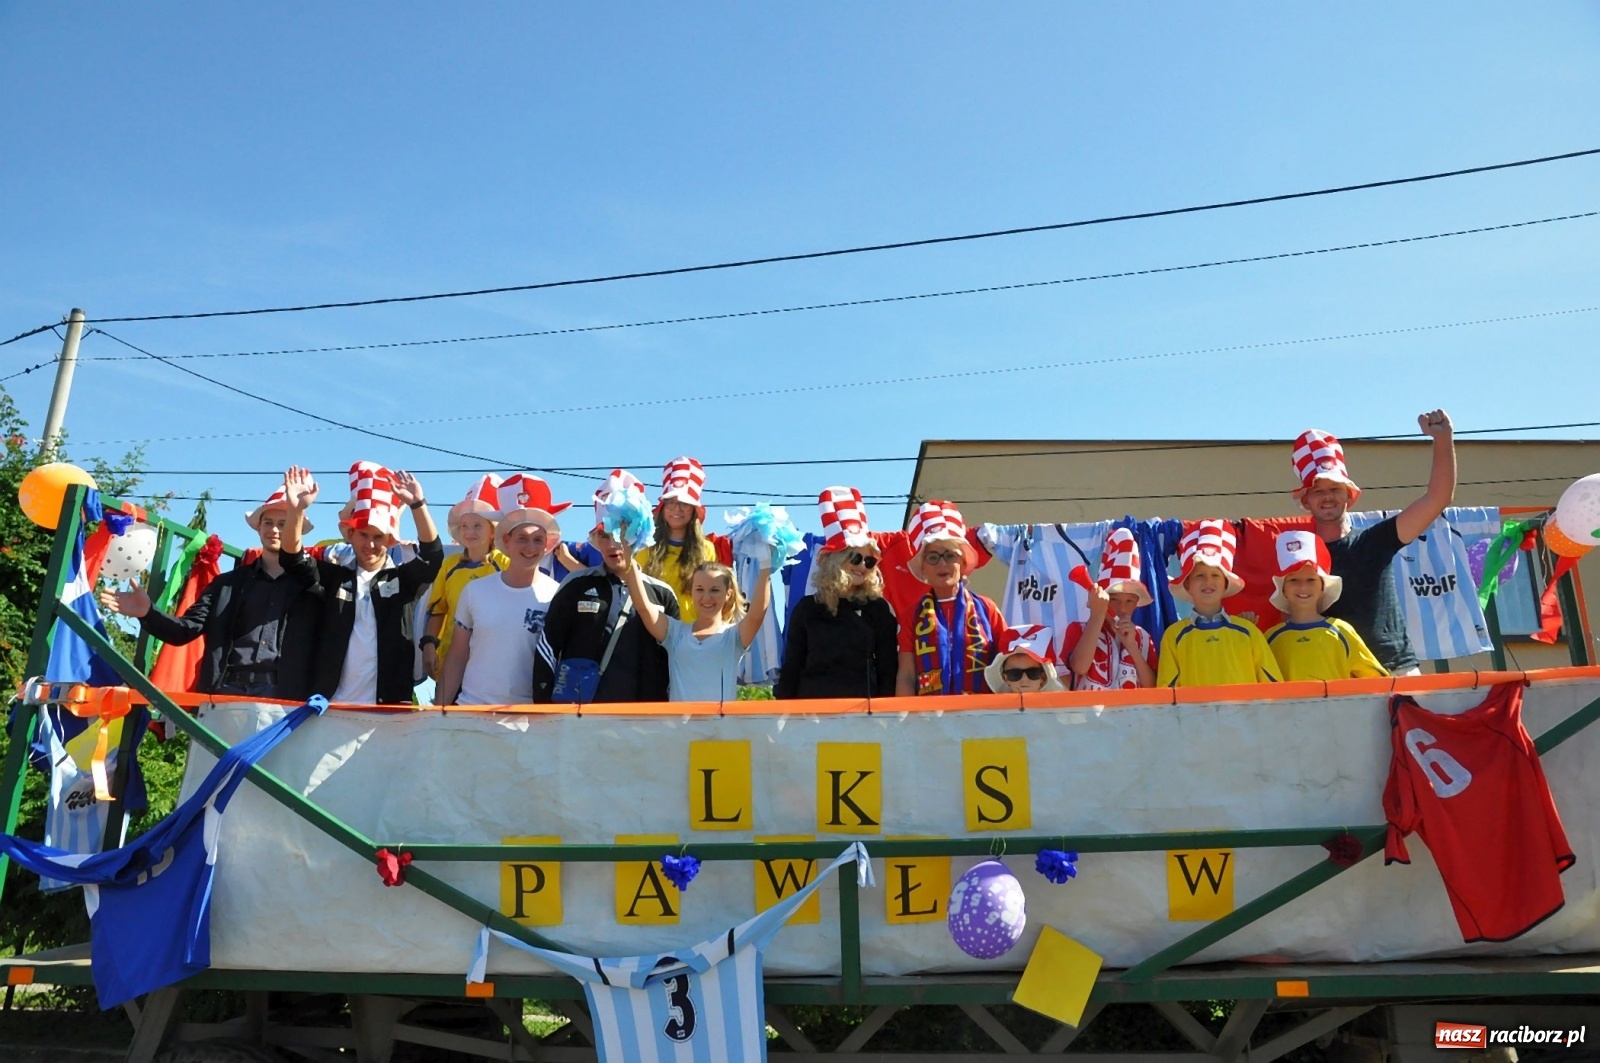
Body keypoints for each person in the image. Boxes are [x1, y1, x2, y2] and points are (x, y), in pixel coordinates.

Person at [98, 469, 321, 700]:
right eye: (268, 522)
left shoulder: (311, 583)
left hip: (284, 699)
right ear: (259, 528)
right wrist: (148, 613)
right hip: (224, 695)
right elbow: (185, 630)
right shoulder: (227, 584)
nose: (274, 529)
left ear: (296, 529)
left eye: (283, 523)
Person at [1294, 413, 1455, 675]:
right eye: (1317, 491)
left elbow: (1438, 498)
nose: (1327, 498)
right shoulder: (1300, 556)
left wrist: (1443, 438)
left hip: (1397, 670)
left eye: (1334, 489)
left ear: (1349, 495)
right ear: (1306, 501)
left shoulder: (1377, 539)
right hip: (1337, 676)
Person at [284, 462, 443, 705]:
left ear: (389, 540)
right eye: (363, 535)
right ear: (350, 535)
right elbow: (292, 559)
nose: (370, 544)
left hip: (387, 708)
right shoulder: (333, 577)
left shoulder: (402, 581)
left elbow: (432, 558)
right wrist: (295, 512)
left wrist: (417, 505)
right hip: (331, 706)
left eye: (378, 536)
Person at [532, 471, 681, 703]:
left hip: (645, 723)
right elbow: (548, 647)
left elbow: (676, 662)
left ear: (638, 534)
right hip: (583, 719)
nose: (613, 543)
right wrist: (543, 707)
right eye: (604, 535)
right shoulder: (575, 584)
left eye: (622, 532)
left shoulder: (663, 594)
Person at [775, 488, 899, 699]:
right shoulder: (807, 609)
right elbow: (792, 668)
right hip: (811, 714)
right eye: (856, 558)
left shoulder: (878, 609)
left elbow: (888, 670)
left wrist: (884, 719)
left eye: (869, 561)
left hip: (862, 717)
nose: (863, 566)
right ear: (835, 560)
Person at [434, 507, 563, 706]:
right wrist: (439, 709)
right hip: (472, 709)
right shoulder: (475, 591)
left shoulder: (557, 595)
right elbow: (458, 655)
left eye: (538, 540)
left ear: (546, 546)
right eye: (522, 538)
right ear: (506, 541)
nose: (530, 547)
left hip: (529, 719)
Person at [621, 555, 771, 703]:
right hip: (679, 726)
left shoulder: (733, 636)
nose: (706, 597)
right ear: (691, 592)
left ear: (728, 594)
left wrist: (766, 566)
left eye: (714, 590)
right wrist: (630, 557)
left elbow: (756, 616)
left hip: (720, 726)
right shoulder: (675, 632)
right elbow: (644, 607)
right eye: (699, 589)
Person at [896, 501, 1006, 696]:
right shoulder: (910, 616)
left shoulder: (987, 609)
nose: (942, 564)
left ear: (963, 563)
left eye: (950, 555)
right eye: (933, 557)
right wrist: (905, 723)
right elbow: (906, 675)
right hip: (929, 719)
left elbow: (1006, 665)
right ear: (923, 567)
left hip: (982, 717)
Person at [1156, 521, 1281, 688]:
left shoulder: (1248, 631)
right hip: (1193, 715)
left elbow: (1273, 687)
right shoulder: (1173, 636)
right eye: (1200, 576)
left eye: (1215, 575)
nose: (1208, 581)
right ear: (1187, 585)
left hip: (1244, 715)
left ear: (1226, 584)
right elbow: (1167, 694)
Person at [1263, 530, 1388, 682]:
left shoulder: (1341, 630)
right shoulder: (1271, 638)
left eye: (1311, 580)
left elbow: (1376, 681)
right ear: (1283, 589)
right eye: (1294, 580)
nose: (1303, 587)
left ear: (1323, 587)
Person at [421, 475, 506, 680]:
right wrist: (429, 645)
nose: (469, 531)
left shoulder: (505, 564)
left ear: (493, 530)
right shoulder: (450, 566)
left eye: (477, 525)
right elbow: (437, 610)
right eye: (465, 525)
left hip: (493, 665)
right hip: (451, 663)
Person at [1063, 528, 1157, 691]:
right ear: (1102, 598)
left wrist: (1131, 646)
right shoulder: (1078, 629)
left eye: (1129, 601)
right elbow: (1079, 667)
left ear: (1136, 604)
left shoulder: (1143, 637)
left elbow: (1151, 686)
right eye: (1113, 600)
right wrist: (1097, 615)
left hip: (1131, 715)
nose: (1122, 608)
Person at [637, 456, 718, 619]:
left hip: (692, 635)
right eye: (671, 502)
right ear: (663, 506)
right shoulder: (646, 544)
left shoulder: (706, 549)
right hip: (651, 633)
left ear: (693, 510)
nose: (677, 509)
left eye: (685, 503)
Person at [983, 625, 1066, 693]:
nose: (1024, 679)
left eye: (1033, 673)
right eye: (1014, 674)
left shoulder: (1060, 711)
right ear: (1006, 678)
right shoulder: (995, 712)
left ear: (1043, 677)